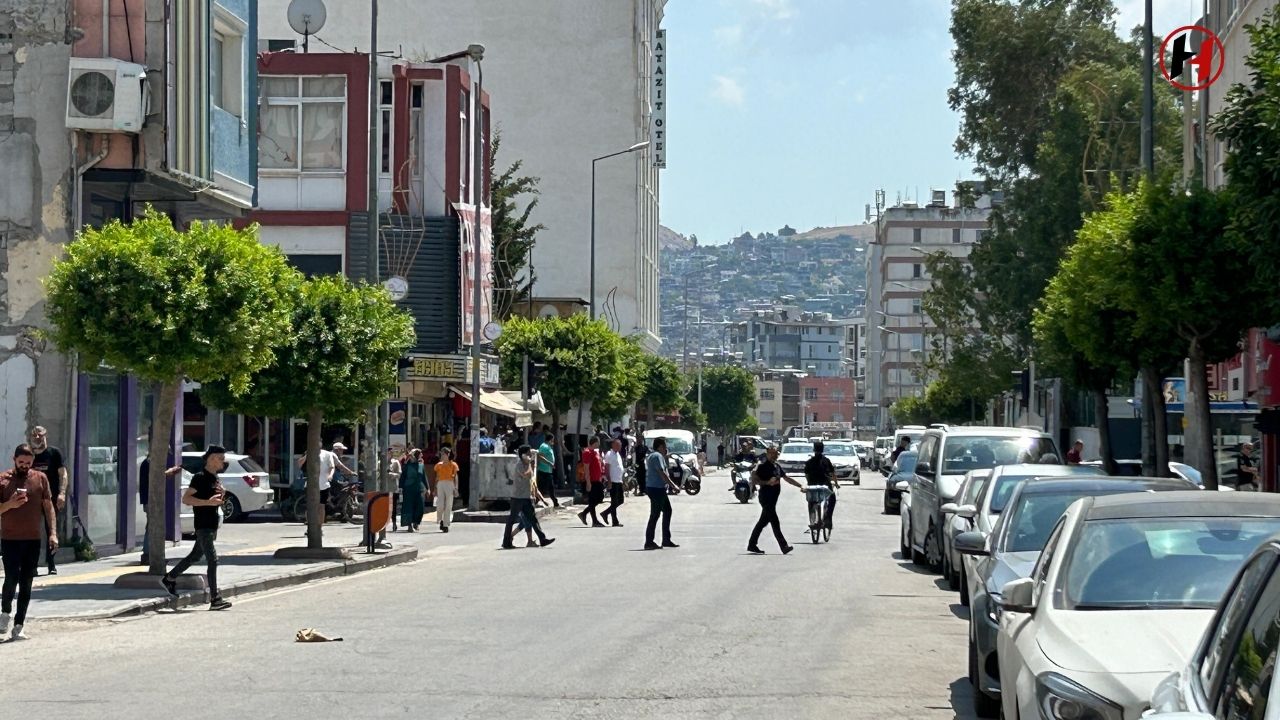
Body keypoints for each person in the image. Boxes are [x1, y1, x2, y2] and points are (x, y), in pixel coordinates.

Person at [163, 445, 231, 611]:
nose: (223, 462)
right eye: (221, 459)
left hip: (211, 524)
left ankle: (169, 578)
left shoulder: (215, 478)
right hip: (203, 525)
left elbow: (216, 499)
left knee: (194, 556)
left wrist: (223, 493)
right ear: (212, 459)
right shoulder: (199, 478)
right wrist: (208, 502)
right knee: (212, 560)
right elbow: (187, 499)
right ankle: (215, 599)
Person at [0, 444, 58, 639]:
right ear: (14, 460)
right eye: (21, 462)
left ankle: (19, 624)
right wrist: (10, 504)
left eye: (28, 462)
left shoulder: (40, 479)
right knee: (11, 578)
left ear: (32, 462)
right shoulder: (3, 480)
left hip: (33, 539)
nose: (24, 466)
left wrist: (53, 533)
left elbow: (48, 507)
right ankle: (5, 612)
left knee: (27, 582)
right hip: (10, 539)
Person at [748, 446, 803, 555]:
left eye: (776, 453)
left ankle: (752, 544)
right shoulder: (763, 466)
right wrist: (767, 482)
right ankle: (784, 546)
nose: (774, 455)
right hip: (766, 498)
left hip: (773, 499)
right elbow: (754, 480)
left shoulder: (777, 466)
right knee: (774, 522)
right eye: (772, 453)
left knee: (762, 522)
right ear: (767, 454)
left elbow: (786, 478)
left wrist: (800, 486)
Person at [28, 426, 67, 575]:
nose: (38, 440)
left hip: (51, 497)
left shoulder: (53, 453)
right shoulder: (28, 455)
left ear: (45, 436)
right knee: (33, 532)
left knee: (51, 529)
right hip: (33, 499)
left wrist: (62, 493)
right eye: (35, 437)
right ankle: (33, 565)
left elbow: (63, 474)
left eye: (41, 437)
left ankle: (51, 564)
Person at [502, 446, 555, 549]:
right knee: (511, 520)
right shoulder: (520, 465)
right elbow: (527, 475)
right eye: (528, 454)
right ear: (523, 455)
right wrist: (530, 465)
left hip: (526, 497)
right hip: (517, 497)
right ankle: (506, 541)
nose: (530, 455)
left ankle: (542, 539)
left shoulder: (526, 464)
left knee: (533, 519)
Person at [138, 451, 183, 565]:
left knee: (151, 526)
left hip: (150, 499)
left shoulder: (147, 463)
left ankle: (148, 553)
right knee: (152, 527)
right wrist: (170, 472)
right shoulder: (149, 464)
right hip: (150, 499)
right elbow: (157, 478)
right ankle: (148, 554)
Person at [643, 437, 681, 550]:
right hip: (656, 489)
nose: (666, 448)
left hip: (658, 488)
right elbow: (662, 473)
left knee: (667, 511)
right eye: (664, 446)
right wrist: (673, 485)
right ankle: (649, 542)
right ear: (660, 446)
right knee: (655, 515)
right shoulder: (656, 456)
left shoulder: (657, 456)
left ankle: (666, 539)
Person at [803, 441, 839, 531]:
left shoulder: (809, 462)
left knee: (811, 501)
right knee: (832, 499)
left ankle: (812, 520)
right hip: (825, 485)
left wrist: (809, 483)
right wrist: (836, 483)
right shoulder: (826, 461)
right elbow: (833, 473)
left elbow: (807, 474)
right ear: (823, 450)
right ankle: (828, 519)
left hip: (813, 485)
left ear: (814, 450)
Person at [578, 437, 606, 527]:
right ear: (595, 443)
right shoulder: (587, 452)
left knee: (600, 498)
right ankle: (594, 521)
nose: (599, 444)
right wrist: (588, 482)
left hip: (598, 479)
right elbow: (586, 468)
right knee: (593, 500)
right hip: (591, 480)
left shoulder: (595, 452)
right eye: (598, 443)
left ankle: (584, 513)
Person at [600, 438, 626, 528]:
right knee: (614, 501)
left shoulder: (618, 454)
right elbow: (607, 468)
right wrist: (609, 481)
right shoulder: (609, 454)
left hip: (619, 480)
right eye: (618, 445)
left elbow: (619, 468)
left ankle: (605, 513)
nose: (620, 446)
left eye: (620, 445)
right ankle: (614, 521)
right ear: (613, 445)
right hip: (613, 481)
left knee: (620, 500)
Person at [433, 448, 461, 532]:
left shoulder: (453, 465)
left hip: (449, 484)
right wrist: (435, 488)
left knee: (448, 505)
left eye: (443, 454)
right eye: (441, 454)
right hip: (440, 484)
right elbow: (437, 477)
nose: (442, 456)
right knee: (440, 505)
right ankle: (440, 519)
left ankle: (445, 524)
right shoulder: (438, 465)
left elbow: (455, 476)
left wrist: (456, 488)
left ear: (448, 455)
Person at [399, 449, 427, 531]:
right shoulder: (407, 466)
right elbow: (402, 478)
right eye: (419, 454)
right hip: (408, 489)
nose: (421, 456)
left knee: (420, 507)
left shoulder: (421, 465)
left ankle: (416, 522)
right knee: (408, 508)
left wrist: (427, 488)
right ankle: (409, 525)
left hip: (419, 489)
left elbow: (424, 477)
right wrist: (400, 488)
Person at [537, 433, 558, 508]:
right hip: (543, 470)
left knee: (547, 488)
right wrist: (549, 463)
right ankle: (555, 503)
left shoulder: (548, 446)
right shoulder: (544, 446)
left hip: (548, 471)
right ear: (550, 439)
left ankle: (555, 502)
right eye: (553, 439)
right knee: (545, 488)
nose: (553, 441)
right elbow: (539, 456)